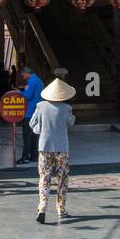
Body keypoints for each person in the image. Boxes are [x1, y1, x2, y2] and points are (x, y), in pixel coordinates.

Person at [30, 77, 76, 224]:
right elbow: (71, 123)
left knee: (45, 178)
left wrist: (41, 130)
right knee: (62, 178)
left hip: (45, 148)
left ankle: (42, 206)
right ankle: (61, 209)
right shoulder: (66, 108)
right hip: (62, 148)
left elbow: (32, 124)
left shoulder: (40, 106)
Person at [18, 66, 44, 164]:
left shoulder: (31, 82)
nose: (23, 76)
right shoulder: (39, 81)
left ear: (27, 73)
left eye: (23, 74)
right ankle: (34, 156)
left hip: (30, 112)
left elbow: (28, 96)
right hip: (38, 111)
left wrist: (19, 92)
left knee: (27, 135)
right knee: (35, 135)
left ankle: (25, 157)